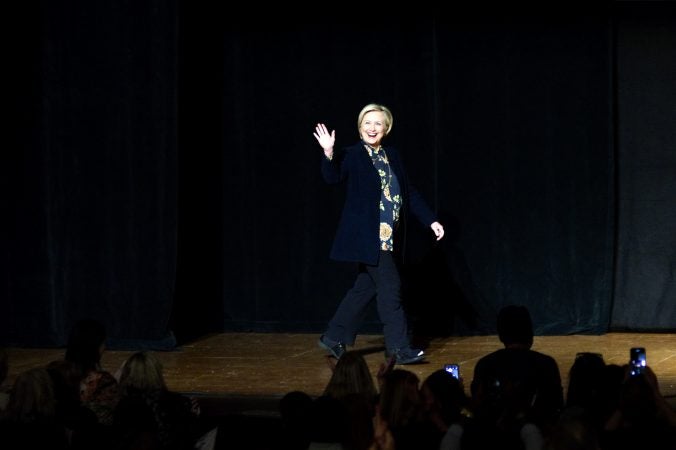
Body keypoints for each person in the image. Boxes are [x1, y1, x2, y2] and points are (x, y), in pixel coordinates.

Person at [313, 103, 445, 365]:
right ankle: (398, 349)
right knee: (390, 289)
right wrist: (329, 152)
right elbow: (332, 177)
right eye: (367, 123)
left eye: (378, 124)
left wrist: (431, 221)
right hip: (370, 239)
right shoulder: (352, 155)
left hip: (390, 237)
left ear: (386, 128)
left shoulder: (392, 155)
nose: (372, 128)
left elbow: (409, 193)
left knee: (365, 288)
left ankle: (333, 336)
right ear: (360, 127)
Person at [469, 305, 564, 439]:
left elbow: (478, 408)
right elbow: (556, 406)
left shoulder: (485, 364)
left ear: (501, 335)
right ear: (530, 332)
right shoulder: (546, 364)